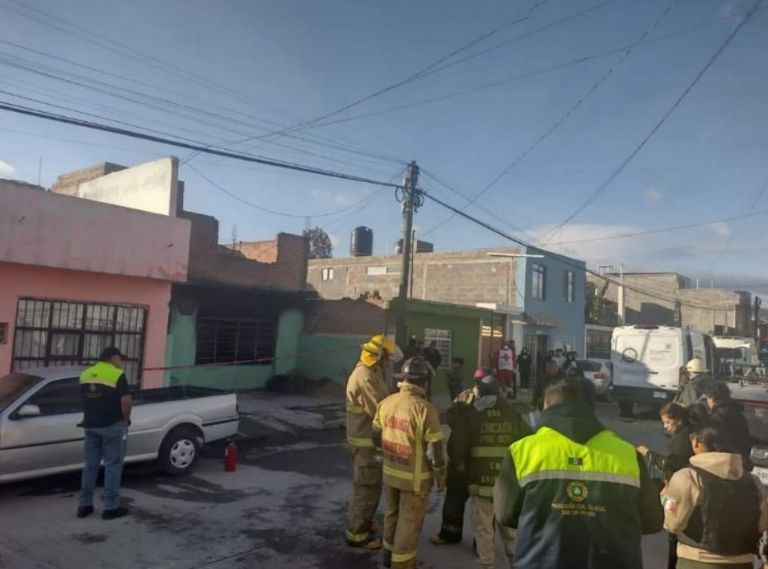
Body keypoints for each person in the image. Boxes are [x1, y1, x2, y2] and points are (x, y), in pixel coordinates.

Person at [494, 376, 663, 569]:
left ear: (546, 405)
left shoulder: (522, 452)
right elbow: (652, 521)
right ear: (592, 406)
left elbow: (505, 514)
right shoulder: (628, 455)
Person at [661, 419, 767, 568]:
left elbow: (672, 524)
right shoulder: (754, 482)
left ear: (696, 442)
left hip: (698, 561)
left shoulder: (689, 477)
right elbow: (762, 525)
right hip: (743, 562)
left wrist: (665, 496)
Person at [372, 357, 446, 569]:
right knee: (409, 523)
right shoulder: (425, 409)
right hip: (415, 480)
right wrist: (440, 473)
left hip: (391, 473)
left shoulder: (386, 403)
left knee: (391, 515)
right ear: (423, 382)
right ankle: (402, 564)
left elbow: (376, 437)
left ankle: (388, 557)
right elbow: (435, 450)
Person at [452, 375, 531, 569]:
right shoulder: (513, 414)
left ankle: (487, 565)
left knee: (484, 530)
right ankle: (517, 563)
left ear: (479, 392)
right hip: (507, 486)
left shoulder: (470, 414)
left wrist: (462, 470)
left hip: (480, 484)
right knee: (511, 531)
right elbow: (529, 443)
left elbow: (456, 448)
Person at [345, 334, 400, 550]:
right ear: (378, 356)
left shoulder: (373, 373)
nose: (389, 362)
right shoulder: (365, 377)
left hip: (369, 443)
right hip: (366, 444)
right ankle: (357, 534)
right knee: (366, 489)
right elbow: (380, 410)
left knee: (372, 488)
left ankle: (364, 525)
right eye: (387, 358)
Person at [637, 403, 694, 569]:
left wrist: (649, 454)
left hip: (680, 491)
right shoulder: (683, 436)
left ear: (679, 421)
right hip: (680, 487)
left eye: (668, 422)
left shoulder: (682, 440)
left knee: (674, 530)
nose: (665, 426)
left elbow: (671, 464)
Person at [78, 346, 133, 520]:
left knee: (90, 466)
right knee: (113, 465)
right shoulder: (116, 374)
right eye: (120, 359)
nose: (121, 362)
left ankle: (84, 505)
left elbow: (84, 400)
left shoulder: (85, 374)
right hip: (111, 425)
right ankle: (110, 507)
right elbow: (126, 401)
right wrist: (125, 420)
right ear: (112, 357)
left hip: (90, 425)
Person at [431, 368, 484, 546]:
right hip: (460, 459)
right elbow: (449, 415)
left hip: (481, 461)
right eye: (478, 381)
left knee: (484, 506)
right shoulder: (464, 397)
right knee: (454, 499)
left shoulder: (495, 402)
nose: (479, 385)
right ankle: (450, 534)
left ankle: (482, 544)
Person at [701, 380, 752, 465]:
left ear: (712, 398)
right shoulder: (738, 413)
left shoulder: (716, 417)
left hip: (724, 462)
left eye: (707, 398)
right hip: (740, 458)